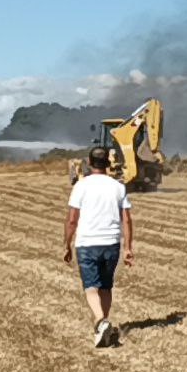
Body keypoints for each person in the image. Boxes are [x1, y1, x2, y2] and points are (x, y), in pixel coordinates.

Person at [62, 146, 135, 348]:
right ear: (109, 164)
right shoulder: (118, 187)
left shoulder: (81, 186)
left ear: (89, 162)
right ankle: (103, 325)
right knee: (105, 286)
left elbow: (72, 220)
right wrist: (128, 248)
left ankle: (100, 321)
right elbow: (127, 220)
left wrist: (67, 244)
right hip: (111, 243)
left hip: (87, 242)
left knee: (91, 287)